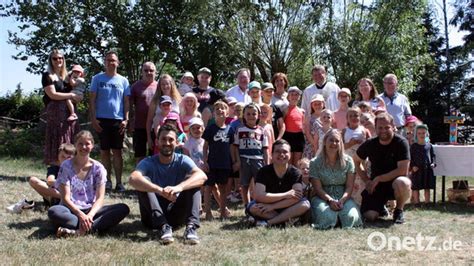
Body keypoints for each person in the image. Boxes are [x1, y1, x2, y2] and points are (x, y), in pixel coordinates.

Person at [129, 124, 207, 245]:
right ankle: (163, 226)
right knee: (144, 181)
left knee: (193, 182)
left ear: (177, 142)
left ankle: (191, 228)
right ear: (157, 141)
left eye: (171, 139)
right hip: (152, 216)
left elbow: (202, 176)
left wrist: (179, 187)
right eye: (163, 139)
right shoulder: (148, 162)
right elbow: (133, 178)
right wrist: (160, 191)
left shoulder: (182, 159)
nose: (167, 143)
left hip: (176, 213)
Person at [48, 130, 130, 237]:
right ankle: (89, 227)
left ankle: (78, 231)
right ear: (75, 145)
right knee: (54, 211)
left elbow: (100, 198)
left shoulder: (98, 168)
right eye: (80, 144)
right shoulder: (66, 166)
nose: (84, 147)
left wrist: (90, 215)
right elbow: (66, 198)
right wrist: (80, 215)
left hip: (91, 210)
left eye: (87, 144)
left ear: (92, 145)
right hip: (70, 209)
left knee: (123, 208)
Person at [353, 113, 412, 224]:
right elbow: (356, 160)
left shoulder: (401, 143)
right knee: (369, 217)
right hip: (376, 186)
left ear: (393, 126)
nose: (383, 130)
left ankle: (398, 211)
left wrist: (379, 178)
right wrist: (366, 180)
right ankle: (380, 208)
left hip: (395, 184)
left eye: (387, 127)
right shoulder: (370, 144)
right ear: (375, 128)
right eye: (380, 128)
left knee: (404, 182)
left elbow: (403, 170)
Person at [89, 51, 130, 192]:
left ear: (118, 63)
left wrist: (126, 119)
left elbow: (126, 101)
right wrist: (93, 119)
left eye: (113, 60)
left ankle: (119, 183)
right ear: (104, 62)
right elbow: (92, 100)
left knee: (117, 152)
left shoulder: (123, 81)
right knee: (104, 151)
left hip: (118, 120)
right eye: (108, 60)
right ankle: (107, 181)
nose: (110, 62)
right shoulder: (97, 79)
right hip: (101, 120)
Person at [247, 139, 310, 227]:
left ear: (290, 155)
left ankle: (269, 222)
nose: (281, 155)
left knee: (305, 205)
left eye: (285, 152)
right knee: (253, 208)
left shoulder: (295, 172)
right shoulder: (263, 171)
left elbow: (297, 197)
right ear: (272, 154)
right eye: (277, 151)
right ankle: (287, 220)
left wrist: (273, 206)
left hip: (288, 206)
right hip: (267, 205)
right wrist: (286, 194)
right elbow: (259, 196)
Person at [310, 130, 362, 229]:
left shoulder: (348, 161)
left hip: (344, 197)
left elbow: (349, 187)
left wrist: (342, 200)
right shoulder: (315, 162)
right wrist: (330, 200)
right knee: (327, 217)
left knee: (351, 217)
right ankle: (334, 219)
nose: (334, 143)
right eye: (331, 140)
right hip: (323, 197)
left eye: (337, 141)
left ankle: (340, 218)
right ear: (325, 142)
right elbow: (318, 188)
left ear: (341, 143)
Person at [7, 144, 76, 214]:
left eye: (68, 158)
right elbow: (50, 181)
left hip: (73, 195)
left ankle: (68, 199)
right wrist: (64, 186)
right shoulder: (55, 167)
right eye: (62, 156)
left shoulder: (77, 168)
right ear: (58, 156)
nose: (65, 160)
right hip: (56, 194)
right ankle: (65, 198)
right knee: (33, 180)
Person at [42, 49, 81, 166]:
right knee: (58, 138)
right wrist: (71, 95)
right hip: (55, 112)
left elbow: (76, 89)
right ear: (50, 60)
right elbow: (52, 94)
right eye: (55, 58)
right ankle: (55, 168)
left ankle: (71, 167)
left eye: (60, 58)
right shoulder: (47, 75)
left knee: (70, 138)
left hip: (69, 112)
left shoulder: (67, 76)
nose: (58, 60)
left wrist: (78, 96)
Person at [233, 103, 270, 210]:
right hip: (244, 160)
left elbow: (265, 149)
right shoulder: (240, 130)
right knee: (245, 185)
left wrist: (266, 164)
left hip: (258, 161)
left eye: (254, 114)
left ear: (258, 115)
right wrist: (238, 161)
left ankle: (258, 205)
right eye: (248, 114)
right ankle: (247, 206)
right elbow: (236, 147)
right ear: (243, 115)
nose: (251, 116)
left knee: (259, 185)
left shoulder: (262, 131)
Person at [202, 100, 233, 219]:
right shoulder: (210, 128)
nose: (220, 110)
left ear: (227, 113)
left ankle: (222, 212)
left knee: (223, 188)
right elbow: (205, 147)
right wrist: (205, 162)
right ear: (213, 113)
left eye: (223, 108)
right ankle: (208, 212)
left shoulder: (230, 130)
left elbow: (232, 148)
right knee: (209, 187)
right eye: (217, 109)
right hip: (212, 163)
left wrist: (234, 161)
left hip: (225, 164)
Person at [342, 107, 371, 205]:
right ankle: (349, 203)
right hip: (348, 160)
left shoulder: (364, 130)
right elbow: (340, 146)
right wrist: (350, 144)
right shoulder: (344, 131)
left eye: (356, 115)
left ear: (360, 117)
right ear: (347, 118)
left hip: (361, 160)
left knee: (361, 182)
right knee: (350, 181)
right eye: (351, 116)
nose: (354, 117)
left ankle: (362, 203)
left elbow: (370, 144)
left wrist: (363, 143)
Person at [130, 62, 158, 164]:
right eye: (146, 70)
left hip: (155, 126)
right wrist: (129, 121)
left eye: (151, 70)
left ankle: (153, 177)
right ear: (142, 72)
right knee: (139, 155)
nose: (148, 72)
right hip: (139, 126)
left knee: (155, 154)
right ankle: (139, 177)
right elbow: (129, 105)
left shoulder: (160, 86)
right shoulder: (135, 86)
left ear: (155, 72)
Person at [410, 124, 436, 204]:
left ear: (427, 134)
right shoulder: (413, 146)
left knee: (427, 186)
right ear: (416, 134)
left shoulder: (429, 146)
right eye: (419, 133)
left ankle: (427, 202)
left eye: (423, 133)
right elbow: (410, 158)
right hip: (417, 169)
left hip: (427, 169)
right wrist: (413, 166)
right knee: (416, 187)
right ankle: (417, 202)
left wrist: (433, 164)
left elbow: (433, 156)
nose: (422, 135)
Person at [283, 86, 305, 165]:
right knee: (288, 161)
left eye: (296, 95)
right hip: (288, 136)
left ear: (299, 97)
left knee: (297, 162)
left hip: (299, 137)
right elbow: (281, 124)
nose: (294, 97)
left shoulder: (302, 111)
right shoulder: (285, 109)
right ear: (288, 97)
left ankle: (296, 177)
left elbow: (303, 125)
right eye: (292, 94)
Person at [303, 94, 325, 159]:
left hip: (324, 146)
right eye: (315, 104)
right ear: (312, 105)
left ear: (323, 104)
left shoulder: (328, 116)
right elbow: (308, 133)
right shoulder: (309, 118)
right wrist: (315, 145)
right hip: (311, 146)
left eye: (319, 104)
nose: (317, 106)